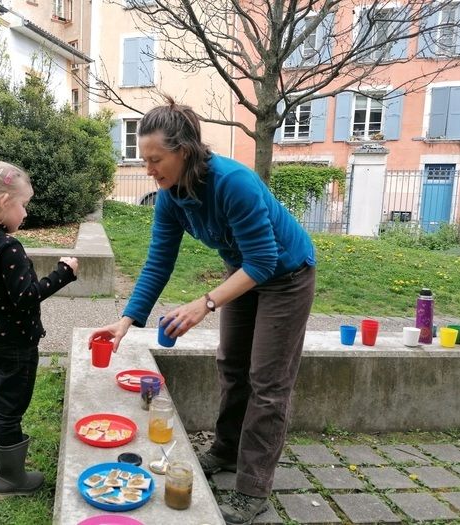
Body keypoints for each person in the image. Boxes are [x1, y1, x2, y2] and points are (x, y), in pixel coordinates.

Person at [89, 97, 315, 524]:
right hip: (243, 272)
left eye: (155, 159)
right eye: (144, 160)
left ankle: (253, 488)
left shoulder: (234, 183)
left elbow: (265, 261)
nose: (149, 169)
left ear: (184, 151)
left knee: (268, 382)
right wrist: (125, 321)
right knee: (231, 364)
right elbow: (159, 260)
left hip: (285, 274)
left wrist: (206, 303)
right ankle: (226, 450)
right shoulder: (171, 196)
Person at [0, 160, 78, 498]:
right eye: (23, 205)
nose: (25, 214)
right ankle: (10, 481)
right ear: (2, 203)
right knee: (9, 408)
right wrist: (63, 272)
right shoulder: (7, 246)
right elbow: (26, 297)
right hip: (14, 343)